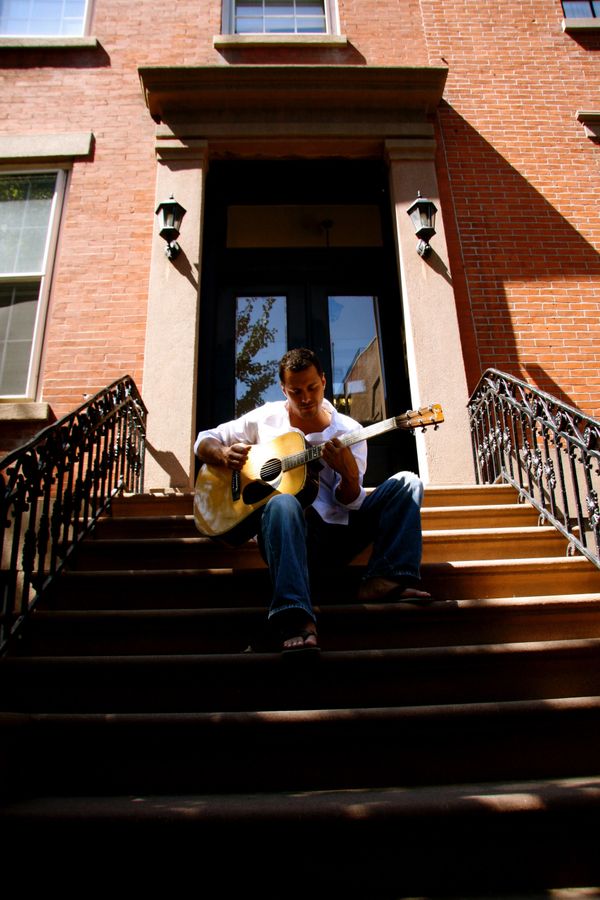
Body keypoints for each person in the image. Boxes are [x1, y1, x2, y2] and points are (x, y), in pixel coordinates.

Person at [194, 347, 429, 654]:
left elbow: (352, 504)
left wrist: (350, 477)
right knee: (283, 503)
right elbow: (204, 440)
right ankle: (295, 616)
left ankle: (384, 579)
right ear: (283, 389)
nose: (305, 398)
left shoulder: (349, 431)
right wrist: (223, 455)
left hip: (337, 536)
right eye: (295, 391)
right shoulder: (266, 418)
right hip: (287, 535)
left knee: (408, 482)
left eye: (312, 388)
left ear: (323, 381)